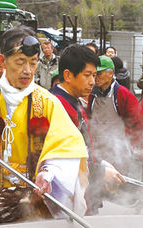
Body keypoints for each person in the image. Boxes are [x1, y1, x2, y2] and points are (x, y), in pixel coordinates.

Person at [0, 26, 88, 224]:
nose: (28, 70)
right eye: (20, 62)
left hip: (35, 204)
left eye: (33, 63)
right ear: (2, 61)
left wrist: (49, 173)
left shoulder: (47, 102)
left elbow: (68, 146)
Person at [51, 44, 124, 215]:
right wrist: (101, 172)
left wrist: (101, 163)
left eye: (95, 75)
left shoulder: (74, 101)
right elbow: (66, 158)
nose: (93, 81)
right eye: (87, 75)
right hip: (68, 198)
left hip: (86, 188)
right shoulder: (59, 106)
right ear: (68, 75)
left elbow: (83, 146)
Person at [87, 55, 143, 174]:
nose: (96, 78)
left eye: (100, 73)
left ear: (111, 73)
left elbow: (138, 122)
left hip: (118, 154)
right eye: (94, 74)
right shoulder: (91, 94)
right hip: (96, 153)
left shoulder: (123, 95)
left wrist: (129, 145)